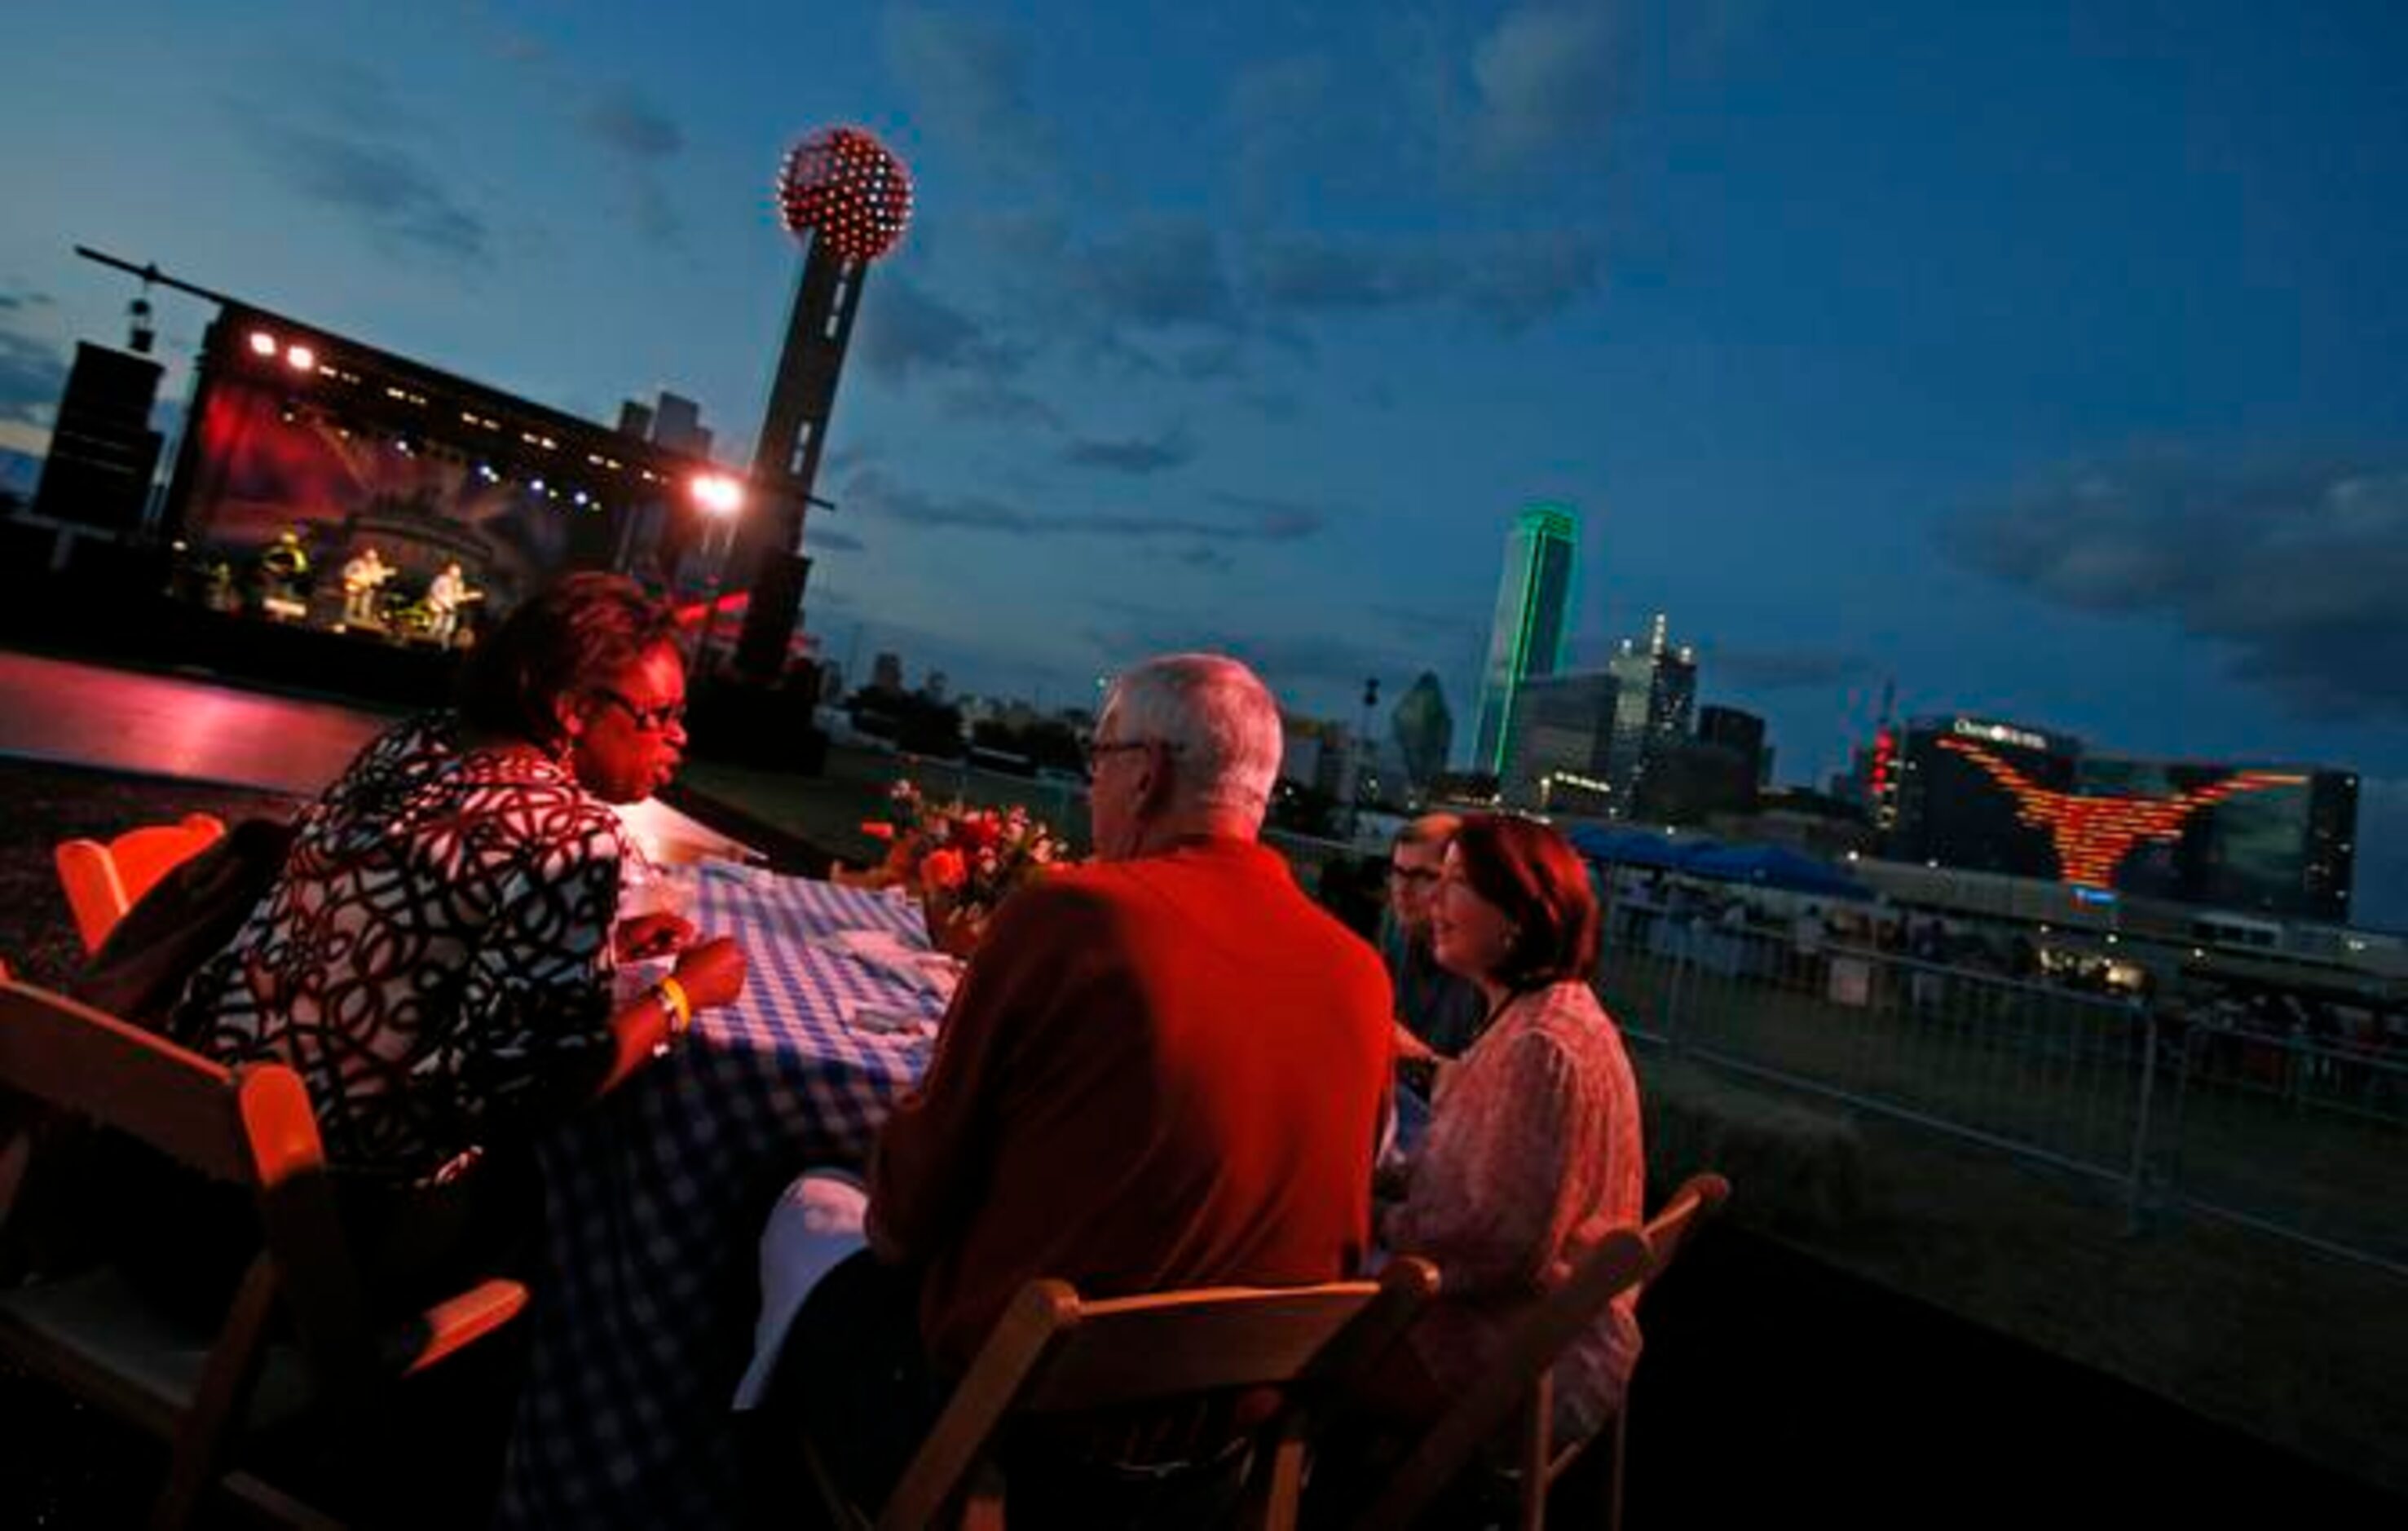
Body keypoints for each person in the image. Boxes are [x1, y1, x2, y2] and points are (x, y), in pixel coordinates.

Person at [752, 653, 1393, 1511]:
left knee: (793, 1219)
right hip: (1221, 1470)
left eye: (1098, 759)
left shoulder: (1074, 915)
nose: (1091, 787)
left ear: (1146, 774)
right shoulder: (1359, 973)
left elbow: (904, 1218)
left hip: (1013, 1451)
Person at [175, 572, 748, 1192]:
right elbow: (527, 1093)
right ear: (575, 710)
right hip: (325, 1196)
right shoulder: (568, 835)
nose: (678, 736)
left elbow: (404, 930)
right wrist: (681, 997)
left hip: (190, 1136)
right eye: (659, 715)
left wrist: (601, 949)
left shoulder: (413, 745)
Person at [1376, 813, 1647, 1447]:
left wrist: (1362, 1210)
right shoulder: (1542, 1015)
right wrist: (1379, 1178)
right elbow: (1480, 1178)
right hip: (1535, 1333)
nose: (1433, 900)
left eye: (1457, 883)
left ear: (1522, 914)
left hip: (1520, 1360)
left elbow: (1497, 1246)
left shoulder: (1540, 1048)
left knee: (1292, 1357)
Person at [1380, 814, 1486, 1070]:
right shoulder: (1399, 930)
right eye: (1398, 872)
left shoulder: (1479, 960)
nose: (1403, 890)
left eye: (1424, 876)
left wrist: (1421, 1059)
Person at [427, 560, 477, 647]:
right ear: (449, 570)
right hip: (439, 604)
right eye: (454, 570)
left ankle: (444, 642)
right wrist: (441, 602)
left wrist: (469, 596)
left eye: (458, 571)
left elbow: (457, 597)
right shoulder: (441, 579)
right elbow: (433, 591)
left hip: (450, 607)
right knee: (437, 624)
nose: (456, 573)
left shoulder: (460, 584)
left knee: (449, 625)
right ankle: (430, 639)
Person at [340, 545, 392, 625]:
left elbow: (379, 580)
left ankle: (362, 622)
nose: (370, 560)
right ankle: (347, 619)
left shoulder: (377, 566)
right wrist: (352, 580)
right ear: (365, 556)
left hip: (368, 589)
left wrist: (377, 579)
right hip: (354, 586)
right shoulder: (356, 563)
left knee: (365, 605)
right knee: (351, 603)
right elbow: (345, 572)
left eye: (372, 558)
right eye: (368, 557)